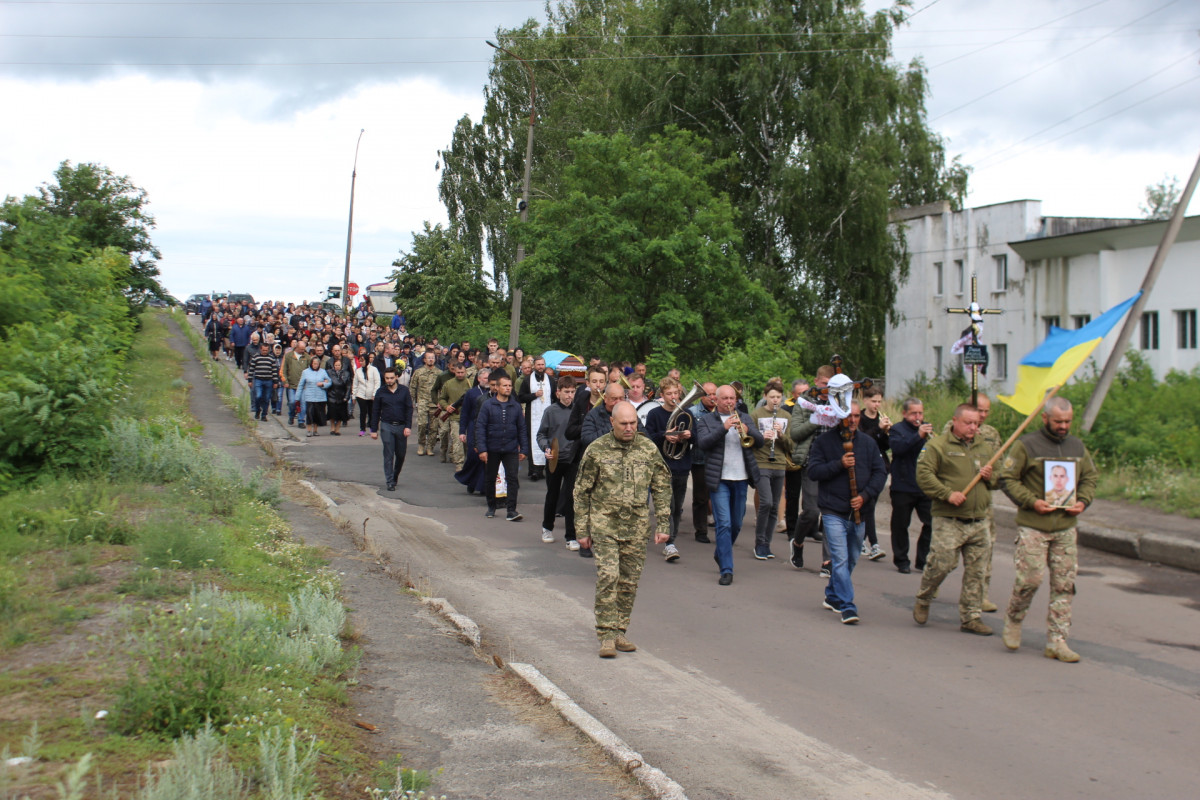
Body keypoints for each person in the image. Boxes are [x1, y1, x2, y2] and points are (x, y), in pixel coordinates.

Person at [1000, 396, 1097, 663]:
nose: (1064, 426)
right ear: (1045, 419)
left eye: (1067, 421)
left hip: (1065, 527)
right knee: (1030, 579)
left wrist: (1082, 501)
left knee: (1064, 585)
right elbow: (1007, 478)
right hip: (1034, 525)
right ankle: (1014, 618)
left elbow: (1090, 477)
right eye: (1058, 421)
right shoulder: (1027, 445)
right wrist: (1032, 501)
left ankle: (1057, 641)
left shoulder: (1077, 447)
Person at [574, 401, 671, 658]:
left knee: (629, 582)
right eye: (624, 424)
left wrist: (663, 523)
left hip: (636, 526)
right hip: (604, 523)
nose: (629, 428)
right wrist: (581, 529)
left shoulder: (648, 448)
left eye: (633, 423)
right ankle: (605, 634)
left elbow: (662, 486)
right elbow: (581, 491)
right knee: (609, 576)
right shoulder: (597, 450)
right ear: (612, 423)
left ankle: (619, 630)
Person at [912, 404, 998, 636]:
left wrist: (992, 477)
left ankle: (971, 616)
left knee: (977, 572)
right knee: (941, 564)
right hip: (949, 519)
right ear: (955, 421)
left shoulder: (984, 448)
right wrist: (947, 494)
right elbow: (924, 476)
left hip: (979, 520)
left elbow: (999, 478)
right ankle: (925, 596)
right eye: (968, 422)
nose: (973, 427)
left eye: (976, 423)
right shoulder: (938, 446)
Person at [807, 401, 887, 624]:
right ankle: (848, 606)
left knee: (851, 558)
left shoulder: (868, 443)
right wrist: (839, 464)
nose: (852, 420)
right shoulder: (824, 442)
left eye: (856, 416)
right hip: (833, 510)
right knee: (840, 559)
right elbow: (814, 471)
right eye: (848, 416)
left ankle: (832, 595)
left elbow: (880, 473)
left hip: (860, 511)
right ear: (837, 417)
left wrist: (866, 495)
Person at [695, 385, 763, 585]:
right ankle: (726, 569)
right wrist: (723, 429)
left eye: (732, 398)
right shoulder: (707, 420)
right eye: (725, 398)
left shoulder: (745, 417)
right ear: (716, 400)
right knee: (723, 524)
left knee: (737, 523)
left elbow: (758, 441)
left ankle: (721, 552)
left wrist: (748, 429)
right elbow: (703, 443)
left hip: (741, 478)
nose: (729, 401)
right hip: (720, 479)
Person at [786, 365, 835, 572]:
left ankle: (828, 562)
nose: (828, 389)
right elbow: (795, 433)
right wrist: (817, 419)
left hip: (835, 463)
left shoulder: (838, 401)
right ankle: (797, 542)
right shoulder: (804, 402)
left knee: (832, 515)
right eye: (825, 384)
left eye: (832, 386)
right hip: (812, 462)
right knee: (812, 511)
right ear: (817, 381)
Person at [645, 376, 694, 563]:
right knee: (668, 505)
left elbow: (696, 439)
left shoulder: (686, 413)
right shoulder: (655, 414)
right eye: (669, 394)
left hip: (681, 465)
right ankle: (669, 542)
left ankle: (670, 536)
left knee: (677, 507)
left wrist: (689, 435)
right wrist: (665, 436)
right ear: (662, 395)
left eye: (676, 393)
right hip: (663, 466)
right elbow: (648, 438)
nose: (673, 397)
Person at [889, 397, 934, 574]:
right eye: (914, 413)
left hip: (924, 486)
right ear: (905, 413)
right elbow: (899, 449)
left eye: (920, 413)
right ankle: (901, 559)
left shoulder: (927, 428)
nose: (918, 417)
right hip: (903, 485)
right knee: (900, 525)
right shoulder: (897, 429)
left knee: (931, 523)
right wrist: (918, 436)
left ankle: (923, 560)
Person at [476, 373, 528, 521]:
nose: (508, 388)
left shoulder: (516, 406)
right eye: (505, 385)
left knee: (512, 478)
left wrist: (524, 448)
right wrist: (482, 449)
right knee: (490, 478)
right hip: (492, 448)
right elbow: (480, 427)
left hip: (511, 448)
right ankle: (491, 507)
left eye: (510, 386)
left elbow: (522, 428)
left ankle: (511, 510)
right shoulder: (488, 405)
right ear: (497, 387)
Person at [536, 376, 579, 546]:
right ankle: (547, 527)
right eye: (566, 392)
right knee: (552, 495)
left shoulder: (578, 411)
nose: (570, 395)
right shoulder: (550, 411)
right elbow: (541, 434)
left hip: (572, 459)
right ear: (558, 392)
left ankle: (571, 536)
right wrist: (546, 448)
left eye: (572, 392)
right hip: (554, 459)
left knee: (571, 497)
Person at [749, 379, 789, 560]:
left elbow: (791, 445)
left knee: (774, 506)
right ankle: (759, 543)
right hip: (762, 462)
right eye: (772, 397)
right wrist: (762, 437)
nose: (775, 400)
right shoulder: (756, 415)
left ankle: (767, 543)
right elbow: (749, 441)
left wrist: (780, 434)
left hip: (779, 464)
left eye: (778, 397)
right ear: (765, 397)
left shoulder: (786, 416)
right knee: (766, 502)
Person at [857, 385, 891, 561]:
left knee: (870, 505)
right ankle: (870, 542)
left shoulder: (882, 418)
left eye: (879, 401)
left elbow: (885, 445)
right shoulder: (860, 418)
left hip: (880, 465)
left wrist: (886, 432)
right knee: (867, 505)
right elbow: (863, 440)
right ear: (865, 400)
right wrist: (878, 429)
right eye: (873, 401)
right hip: (864, 464)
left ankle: (866, 541)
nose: (876, 404)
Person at [370, 366, 413, 491]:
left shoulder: (404, 391)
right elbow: (376, 411)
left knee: (400, 455)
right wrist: (373, 430)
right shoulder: (380, 392)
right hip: (386, 425)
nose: (389, 380)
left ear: (397, 377)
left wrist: (408, 426)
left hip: (401, 426)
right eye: (387, 378)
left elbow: (409, 409)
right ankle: (389, 481)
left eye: (391, 378)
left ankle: (395, 476)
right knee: (388, 454)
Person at [688, 382, 717, 544]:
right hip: (700, 459)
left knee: (718, 494)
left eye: (714, 394)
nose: (712, 398)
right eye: (708, 394)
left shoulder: (722, 411)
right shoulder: (693, 412)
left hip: (719, 459)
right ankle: (701, 530)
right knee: (701, 497)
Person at [455, 368, 491, 495]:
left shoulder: (493, 393)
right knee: (473, 456)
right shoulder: (471, 393)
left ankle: (482, 486)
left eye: (489, 378)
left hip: (487, 428)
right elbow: (464, 413)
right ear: (479, 379)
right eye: (485, 378)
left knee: (485, 457)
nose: (487, 381)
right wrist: (462, 431)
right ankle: (470, 480)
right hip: (472, 427)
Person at [518, 356, 554, 481]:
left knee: (547, 439)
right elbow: (521, 397)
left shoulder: (550, 379)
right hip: (532, 416)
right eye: (538, 365)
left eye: (542, 364)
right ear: (534, 366)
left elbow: (554, 397)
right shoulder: (528, 380)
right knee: (533, 440)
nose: (540, 367)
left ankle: (543, 469)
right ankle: (533, 470)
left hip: (547, 415)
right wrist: (534, 395)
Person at [437, 361, 471, 468]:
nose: (460, 374)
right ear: (454, 372)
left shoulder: (470, 383)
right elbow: (442, 399)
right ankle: (459, 464)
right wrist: (447, 407)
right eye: (458, 372)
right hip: (454, 416)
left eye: (462, 372)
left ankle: (466, 460)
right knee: (457, 440)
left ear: (465, 372)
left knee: (467, 442)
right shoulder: (448, 384)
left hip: (468, 417)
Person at [410, 351, 442, 457]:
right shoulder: (418, 372)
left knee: (434, 427)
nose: (431, 359)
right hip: (422, 402)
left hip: (435, 403)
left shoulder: (439, 373)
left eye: (433, 358)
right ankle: (421, 444)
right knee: (422, 424)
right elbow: (413, 387)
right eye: (429, 358)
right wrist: (412, 401)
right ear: (424, 359)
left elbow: (443, 389)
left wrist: (441, 402)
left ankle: (430, 446)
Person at [295, 355, 330, 438]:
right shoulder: (305, 372)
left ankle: (315, 430)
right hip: (309, 396)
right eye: (314, 364)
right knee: (310, 413)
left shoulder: (323, 372)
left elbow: (329, 382)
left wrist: (323, 384)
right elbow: (300, 385)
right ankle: (309, 430)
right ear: (311, 364)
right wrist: (297, 398)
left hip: (320, 397)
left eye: (317, 364)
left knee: (317, 414)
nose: (315, 365)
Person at [245, 341, 278, 422]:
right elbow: (251, 369)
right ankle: (257, 410)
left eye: (266, 350)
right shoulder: (256, 357)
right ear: (260, 349)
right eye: (263, 350)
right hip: (258, 379)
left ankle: (264, 415)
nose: (265, 352)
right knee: (258, 396)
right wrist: (250, 380)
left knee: (267, 398)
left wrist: (275, 382)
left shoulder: (271, 358)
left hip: (268, 380)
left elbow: (274, 370)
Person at [352, 355, 381, 437]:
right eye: (360, 361)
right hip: (361, 395)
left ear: (367, 361)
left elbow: (377, 382)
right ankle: (362, 429)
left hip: (371, 395)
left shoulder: (374, 370)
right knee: (363, 412)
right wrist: (354, 396)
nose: (361, 363)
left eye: (362, 361)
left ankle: (372, 428)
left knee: (371, 412)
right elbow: (355, 384)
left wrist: (375, 393)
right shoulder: (358, 371)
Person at [326, 356, 352, 436]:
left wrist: (346, 397)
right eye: (336, 365)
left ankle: (337, 429)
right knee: (332, 414)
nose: (337, 367)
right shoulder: (329, 372)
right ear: (333, 366)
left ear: (341, 366)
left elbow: (348, 386)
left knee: (341, 414)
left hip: (342, 395)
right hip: (332, 395)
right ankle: (332, 427)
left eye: (339, 365)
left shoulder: (346, 373)